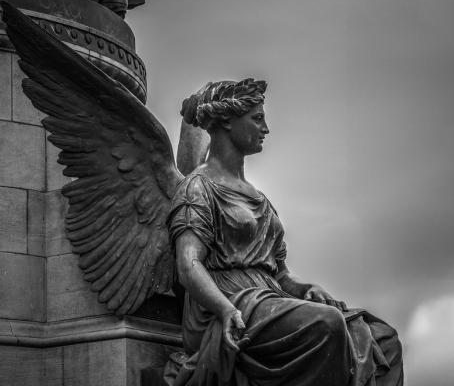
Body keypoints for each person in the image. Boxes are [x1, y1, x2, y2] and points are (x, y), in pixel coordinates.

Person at [166, 79, 404, 386]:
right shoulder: (198, 188)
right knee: (326, 324)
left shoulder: (259, 198)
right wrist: (224, 310)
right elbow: (189, 265)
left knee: (383, 339)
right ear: (227, 122)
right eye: (257, 119)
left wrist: (305, 289)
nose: (265, 129)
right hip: (228, 304)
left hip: (269, 300)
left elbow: (279, 274)